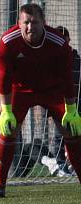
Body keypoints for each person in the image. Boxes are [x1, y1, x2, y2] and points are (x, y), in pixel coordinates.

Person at [0, 3, 81, 197]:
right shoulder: (8, 42)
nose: (29, 27)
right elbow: (4, 78)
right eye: (25, 22)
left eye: (34, 22)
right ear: (19, 23)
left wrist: (71, 109)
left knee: (72, 131)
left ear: (44, 23)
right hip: (21, 90)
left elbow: (67, 77)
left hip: (53, 89)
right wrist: (6, 110)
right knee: (8, 131)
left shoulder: (58, 42)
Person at [41, 26, 81, 176]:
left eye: (65, 39)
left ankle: (73, 164)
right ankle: (61, 165)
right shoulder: (50, 61)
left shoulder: (76, 59)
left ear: (69, 40)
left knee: (76, 135)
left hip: (77, 104)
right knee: (60, 135)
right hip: (59, 104)